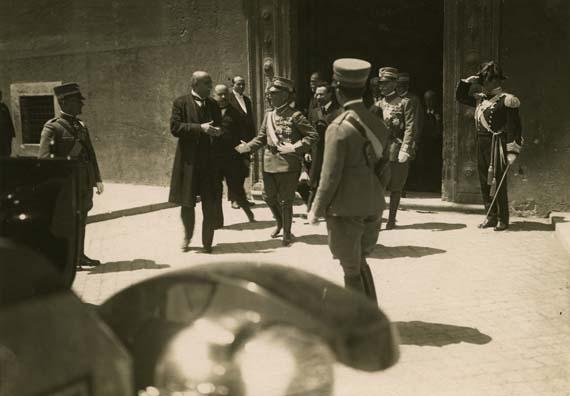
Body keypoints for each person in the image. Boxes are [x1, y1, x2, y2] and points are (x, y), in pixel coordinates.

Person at [309, 58, 390, 300]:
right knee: (360, 261)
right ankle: (370, 313)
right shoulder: (377, 122)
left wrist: (316, 209)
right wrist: (374, 192)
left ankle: (359, 324)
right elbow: (385, 169)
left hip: (345, 209)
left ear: (338, 91)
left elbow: (330, 175)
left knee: (350, 269)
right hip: (373, 204)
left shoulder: (338, 127)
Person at [236, 77, 318, 246]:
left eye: (273, 93)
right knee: (268, 196)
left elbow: (313, 136)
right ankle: (280, 222)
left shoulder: (296, 116)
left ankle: (287, 233)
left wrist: (295, 147)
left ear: (284, 95)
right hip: (269, 163)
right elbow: (261, 138)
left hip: (288, 164)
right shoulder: (269, 116)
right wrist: (246, 148)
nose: (269, 96)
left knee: (286, 200)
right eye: (269, 93)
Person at [38, 83, 103, 267]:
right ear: (64, 103)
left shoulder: (81, 125)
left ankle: (79, 255)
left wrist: (97, 179)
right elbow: (44, 160)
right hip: (67, 185)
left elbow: (91, 154)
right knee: (68, 222)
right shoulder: (52, 128)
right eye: (77, 102)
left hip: (83, 183)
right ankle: (66, 258)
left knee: (81, 219)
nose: (81, 106)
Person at [456, 61, 522, 231]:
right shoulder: (481, 100)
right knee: (485, 182)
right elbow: (461, 97)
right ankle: (490, 216)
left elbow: (515, 127)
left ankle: (502, 219)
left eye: (485, 81)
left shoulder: (507, 100)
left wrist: (512, 151)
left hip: (497, 144)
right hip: (482, 145)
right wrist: (466, 83)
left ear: (495, 81)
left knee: (498, 181)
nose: (483, 85)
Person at [168, 71, 224, 253]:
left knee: (210, 202)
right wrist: (200, 128)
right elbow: (175, 128)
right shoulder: (181, 103)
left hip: (209, 163)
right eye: (207, 83)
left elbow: (220, 126)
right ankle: (187, 236)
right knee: (187, 202)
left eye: (210, 83)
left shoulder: (214, 104)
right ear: (195, 84)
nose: (210, 86)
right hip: (188, 161)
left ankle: (207, 242)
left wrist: (218, 131)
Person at [371, 67, 418, 229]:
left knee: (396, 186)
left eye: (385, 83)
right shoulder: (378, 103)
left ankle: (391, 219)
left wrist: (406, 148)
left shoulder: (405, 103)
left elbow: (410, 127)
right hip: (379, 150)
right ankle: (376, 219)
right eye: (380, 84)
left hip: (395, 148)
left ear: (394, 83)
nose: (381, 87)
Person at [213, 84, 255, 222]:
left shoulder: (235, 113)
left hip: (231, 156)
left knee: (236, 186)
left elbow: (243, 134)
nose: (224, 97)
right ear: (214, 95)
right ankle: (218, 220)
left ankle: (247, 211)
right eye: (220, 94)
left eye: (226, 94)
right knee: (215, 189)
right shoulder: (209, 111)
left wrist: (245, 151)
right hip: (213, 156)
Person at [306, 83, 342, 210]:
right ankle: (311, 208)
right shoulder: (314, 112)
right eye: (316, 94)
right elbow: (308, 132)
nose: (317, 96)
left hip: (333, 151)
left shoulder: (340, 111)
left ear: (330, 95)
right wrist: (307, 151)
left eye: (321, 94)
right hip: (317, 152)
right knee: (314, 180)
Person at [228, 76, 256, 209]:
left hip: (247, 141)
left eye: (243, 84)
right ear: (233, 85)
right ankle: (233, 199)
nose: (241, 87)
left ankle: (242, 198)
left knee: (243, 170)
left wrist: (253, 140)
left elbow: (250, 121)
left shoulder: (247, 100)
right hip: (234, 141)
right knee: (233, 171)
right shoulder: (228, 99)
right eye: (238, 84)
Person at [396, 72, 424, 193]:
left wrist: (414, 141)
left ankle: (402, 190)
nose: (398, 88)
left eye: (401, 85)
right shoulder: (395, 99)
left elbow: (416, 123)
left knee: (404, 165)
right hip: (396, 138)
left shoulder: (412, 99)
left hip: (407, 138)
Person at [0, 90, 15, 157]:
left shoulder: (4, 107)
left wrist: (11, 134)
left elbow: (9, 121)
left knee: (6, 153)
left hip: (5, 136)